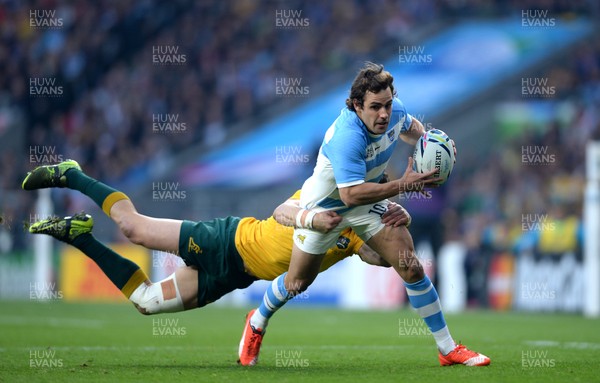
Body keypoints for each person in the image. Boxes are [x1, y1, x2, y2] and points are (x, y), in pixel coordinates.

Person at [240, 62, 490, 367]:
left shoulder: (394, 111)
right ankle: (257, 321)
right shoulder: (347, 136)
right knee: (297, 283)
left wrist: (430, 147)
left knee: (410, 266)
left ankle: (447, 348)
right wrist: (401, 186)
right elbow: (349, 194)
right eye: (375, 107)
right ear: (357, 106)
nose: (383, 114)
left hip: (364, 204)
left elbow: (411, 129)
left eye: (387, 104)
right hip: (325, 208)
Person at [22, 159, 410, 314]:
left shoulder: (361, 231)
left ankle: (80, 236)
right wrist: (312, 219)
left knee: (146, 303)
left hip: (234, 275)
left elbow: (383, 259)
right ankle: (72, 174)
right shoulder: (318, 196)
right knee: (133, 228)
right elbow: (282, 213)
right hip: (227, 241)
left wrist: (398, 222)